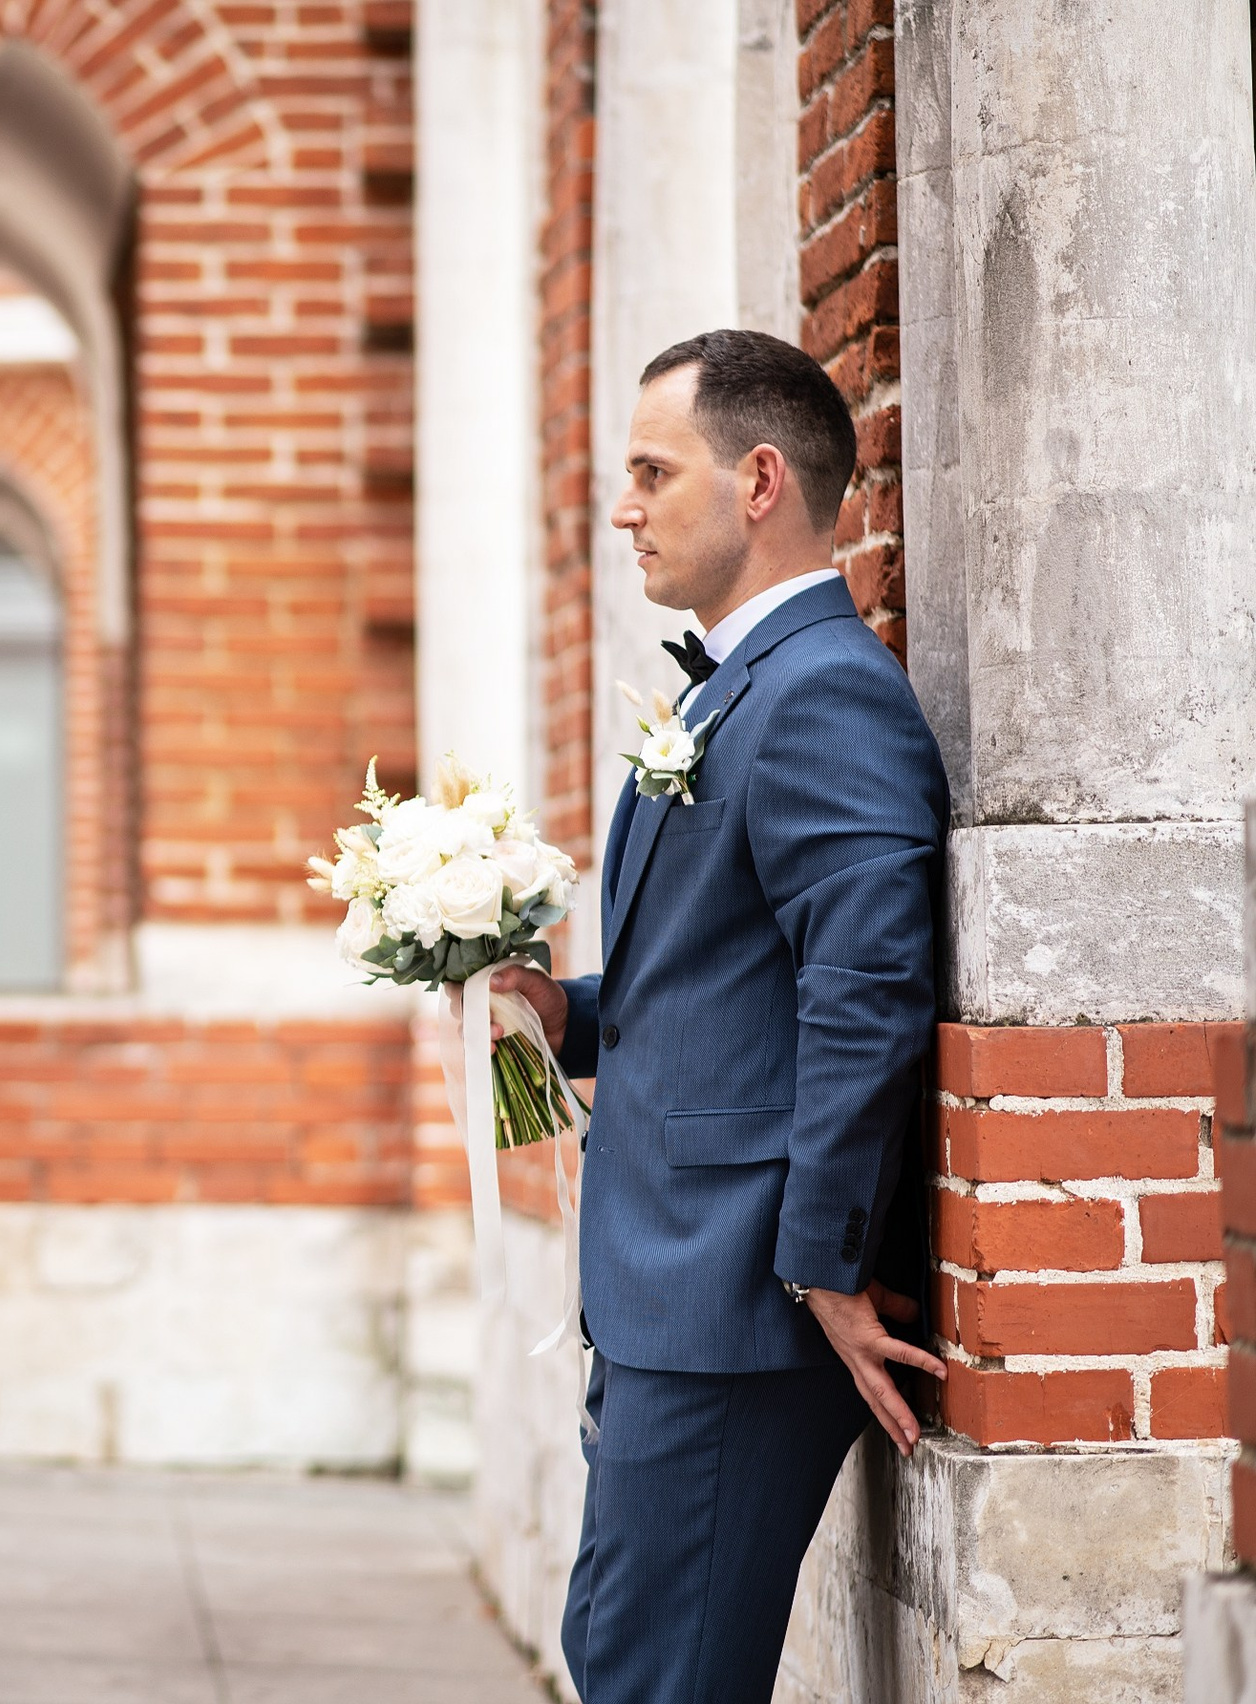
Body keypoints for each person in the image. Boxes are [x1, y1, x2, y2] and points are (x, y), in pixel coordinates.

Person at [490, 329, 948, 1702]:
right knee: (618, 1656)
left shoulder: (823, 700)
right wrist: (554, 1011)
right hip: (661, 1294)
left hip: (738, 1302)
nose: (621, 506)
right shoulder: (734, 691)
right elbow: (709, 987)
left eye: (650, 469)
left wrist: (821, 1265)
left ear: (759, 481)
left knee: (655, 1680)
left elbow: (866, 995)